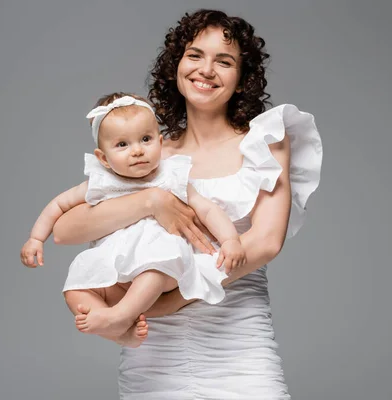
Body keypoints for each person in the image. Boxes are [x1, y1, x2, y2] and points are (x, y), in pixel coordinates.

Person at [52, 9, 322, 399]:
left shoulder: (266, 141)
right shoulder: (149, 151)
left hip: (236, 343)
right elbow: (64, 230)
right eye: (195, 55)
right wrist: (151, 201)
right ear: (176, 65)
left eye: (224, 61)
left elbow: (265, 243)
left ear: (242, 78)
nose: (206, 70)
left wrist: (166, 302)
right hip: (153, 356)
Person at [20, 92, 246, 348]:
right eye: (122, 145)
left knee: (155, 267)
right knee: (75, 289)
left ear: (160, 143)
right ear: (103, 158)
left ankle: (120, 316)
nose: (137, 151)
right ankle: (119, 334)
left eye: (146, 139)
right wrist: (36, 238)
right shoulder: (101, 183)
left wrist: (230, 240)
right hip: (114, 270)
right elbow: (58, 205)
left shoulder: (171, 176)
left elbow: (206, 210)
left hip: (163, 267)